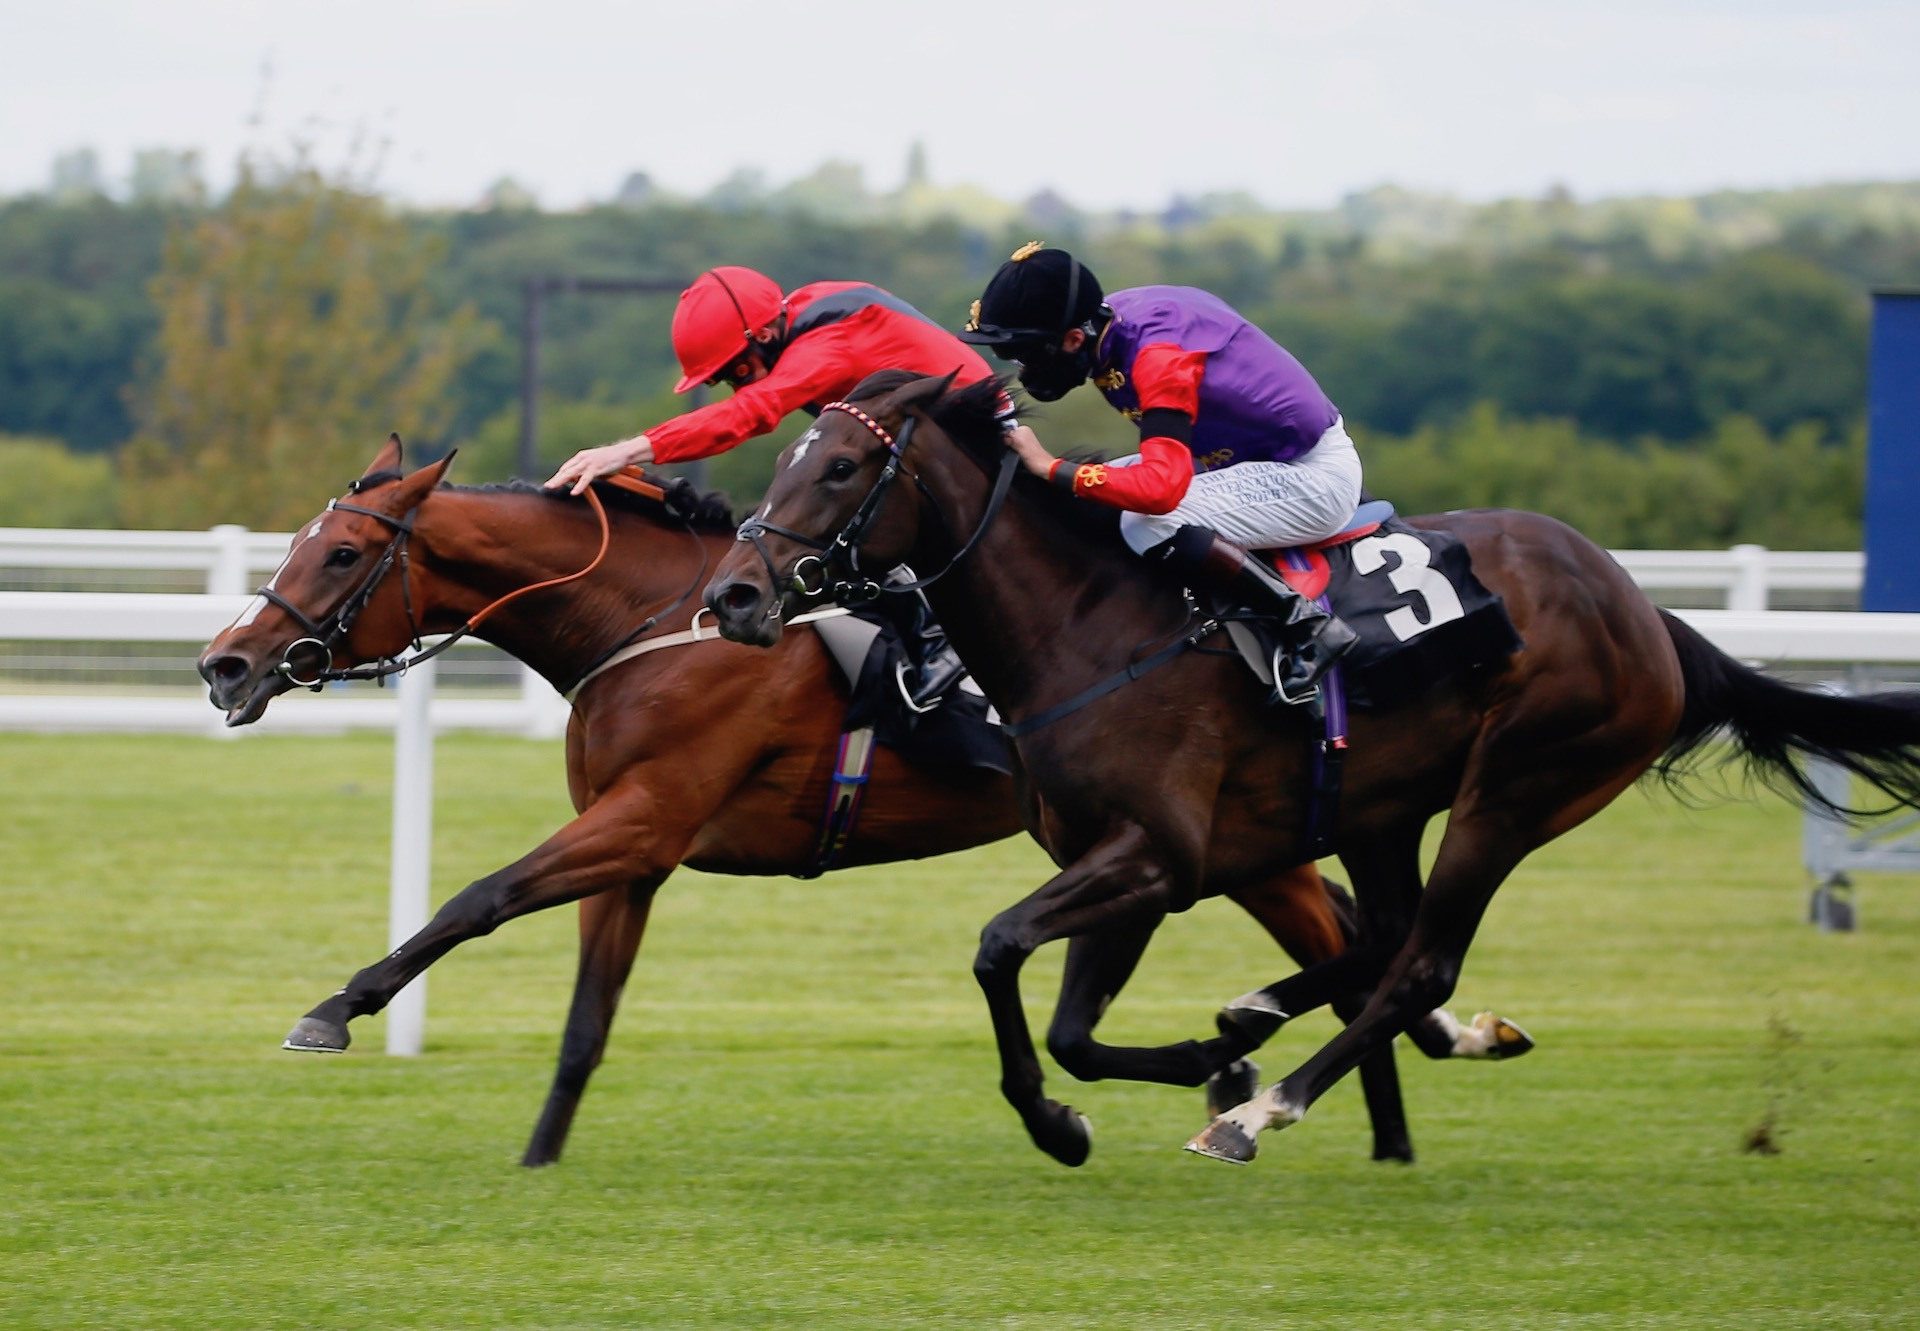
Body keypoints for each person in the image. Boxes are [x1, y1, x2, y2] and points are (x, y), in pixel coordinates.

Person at [545, 266, 995, 704]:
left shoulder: (828, 344)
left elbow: (752, 413)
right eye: (723, 380)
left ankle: (943, 643)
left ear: (762, 336)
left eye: (737, 372)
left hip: (974, 446)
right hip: (931, 448)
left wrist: (626, 450)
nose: (736, 388)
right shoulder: (800, 315)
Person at [958, 243, 1358, 701]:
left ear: (1071, 339)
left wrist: (1051, 467)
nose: (1022, 369)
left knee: (1147, 524)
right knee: (1088, 497)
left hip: (1308, 476)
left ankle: (1306, 624)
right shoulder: (1110, 326)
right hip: (1237, 463)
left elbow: (1160, 493)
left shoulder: (1158, 357)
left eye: (1024, 354)